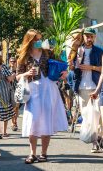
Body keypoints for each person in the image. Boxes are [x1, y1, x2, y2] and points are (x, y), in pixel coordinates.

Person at [16, 29, 68, 164]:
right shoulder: (23, 57)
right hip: (33, 90)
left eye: (40, 39)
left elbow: (62, 65)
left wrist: (64, 73)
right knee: (33, 120)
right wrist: (27, 73)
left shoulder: (48, 52)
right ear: (30, 41)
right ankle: (32, 153)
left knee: (47, 120)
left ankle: (44, 153)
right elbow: (17, 76)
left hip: (48, 88)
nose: (39, 41)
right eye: (36, 39)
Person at [71, 28, 103, 152]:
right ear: (83, 37)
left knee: (97, 115)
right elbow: (72, 69)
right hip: (81, 87)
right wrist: (72, 65)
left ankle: (96, 141)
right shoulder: (77, 51)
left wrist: (91, 67)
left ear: (94, 38)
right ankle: (94, 140)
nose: (89, 39)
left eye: (91, 36)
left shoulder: (100, 52)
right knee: (86, 116)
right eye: (87, 36)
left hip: (95, 87)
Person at [0, 53, 15, 137]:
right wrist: (13, 75)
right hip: (4, 91)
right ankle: (4, 132)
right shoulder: (3, 67)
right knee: (5, 110)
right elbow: (9, 78)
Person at [9, 57, 19, 131]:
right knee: (13, 107)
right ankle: (13, 123)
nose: (13, 63)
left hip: (18, 90)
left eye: (14, 61)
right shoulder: (8, 71)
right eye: (11, 61)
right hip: (10, 91)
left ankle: (15, 122)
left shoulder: (18, 71)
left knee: (16, 107)